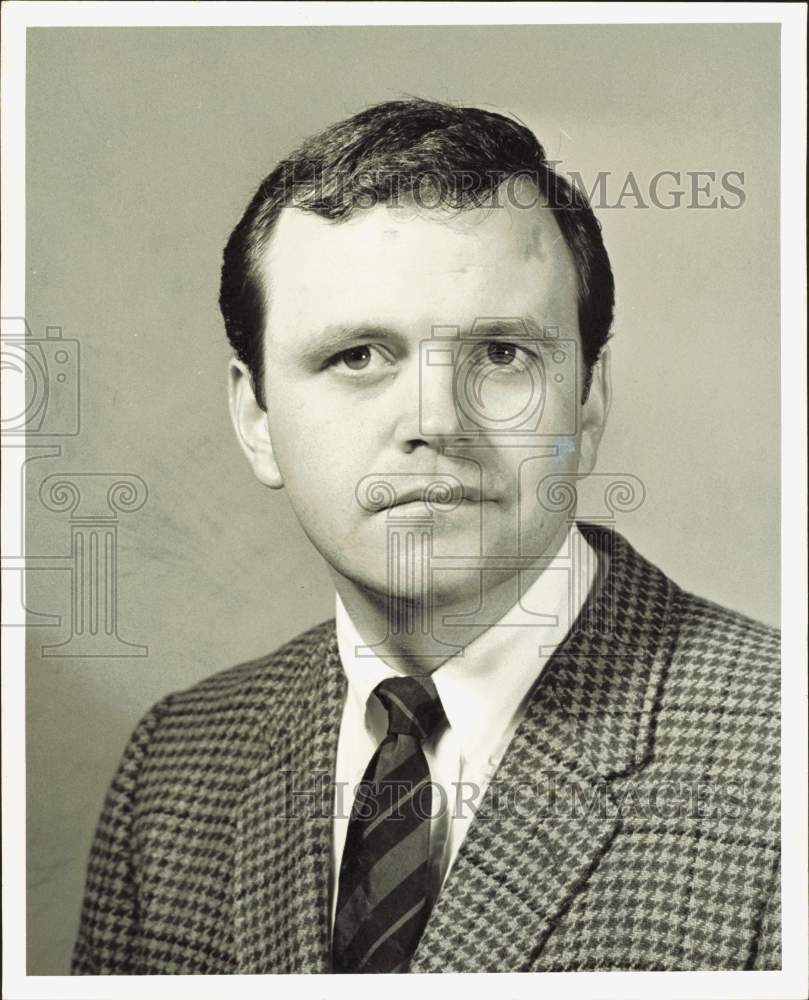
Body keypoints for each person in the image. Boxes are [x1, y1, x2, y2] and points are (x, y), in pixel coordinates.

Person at [72, 98, 780, 974]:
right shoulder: (174, 767)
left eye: (501, 355)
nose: (435, 422)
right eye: (358, 356)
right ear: (256, 416)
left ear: (587, 402)